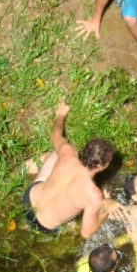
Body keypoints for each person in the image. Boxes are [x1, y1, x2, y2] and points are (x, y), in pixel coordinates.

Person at [22, 102, 123, 238]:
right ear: (102, 166)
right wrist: (105, 211)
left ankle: (25, 169)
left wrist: (61, 115)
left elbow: (56, 133)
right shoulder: (94, 195)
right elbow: (86, 233)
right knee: (88, 208)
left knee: (55, 154)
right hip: (44, 225)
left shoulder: (68, 153)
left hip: (28, 199)